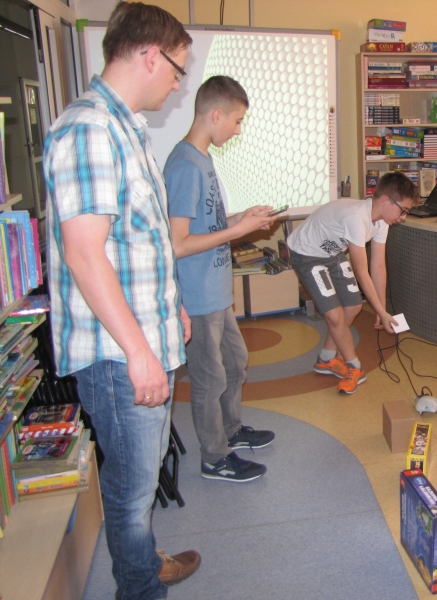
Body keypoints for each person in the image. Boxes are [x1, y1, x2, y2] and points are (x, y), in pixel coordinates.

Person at [44, 3, 199, 598]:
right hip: (117, 354)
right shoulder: (88, 129)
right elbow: (86, 255)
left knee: (143, 469)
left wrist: (171, 306)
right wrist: (138, 352)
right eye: (178, 70)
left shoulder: (125, 127)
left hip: (142, 338)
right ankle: (139, 586)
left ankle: (143, 560)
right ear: (149, 56)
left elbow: (140, 241)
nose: (178, 84)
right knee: (132, 486)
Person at [164, 76, 279, 483]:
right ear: (216, 115)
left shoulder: (203, 158)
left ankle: (230, 431)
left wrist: (243, 219)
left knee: (234, 363)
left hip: (215, 291)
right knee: (209, 379)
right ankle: (214, 457)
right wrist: (237, 231)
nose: (238, 129)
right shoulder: (184, 166)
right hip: (197, 297)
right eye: (237, 120)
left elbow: (208, 223)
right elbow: (178, 243)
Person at [287, 172, 419, 394]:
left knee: (354, 306)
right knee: (334, 315)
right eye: (403, 210)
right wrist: (379, 310)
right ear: (385, 201)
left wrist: (381, 308)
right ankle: (354, 366)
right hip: (307, 254)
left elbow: (378, 266)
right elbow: (361, 271)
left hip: (331, 253)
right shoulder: (356, 218)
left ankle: (327, 358)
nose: (403, 217)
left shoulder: (382, 221)